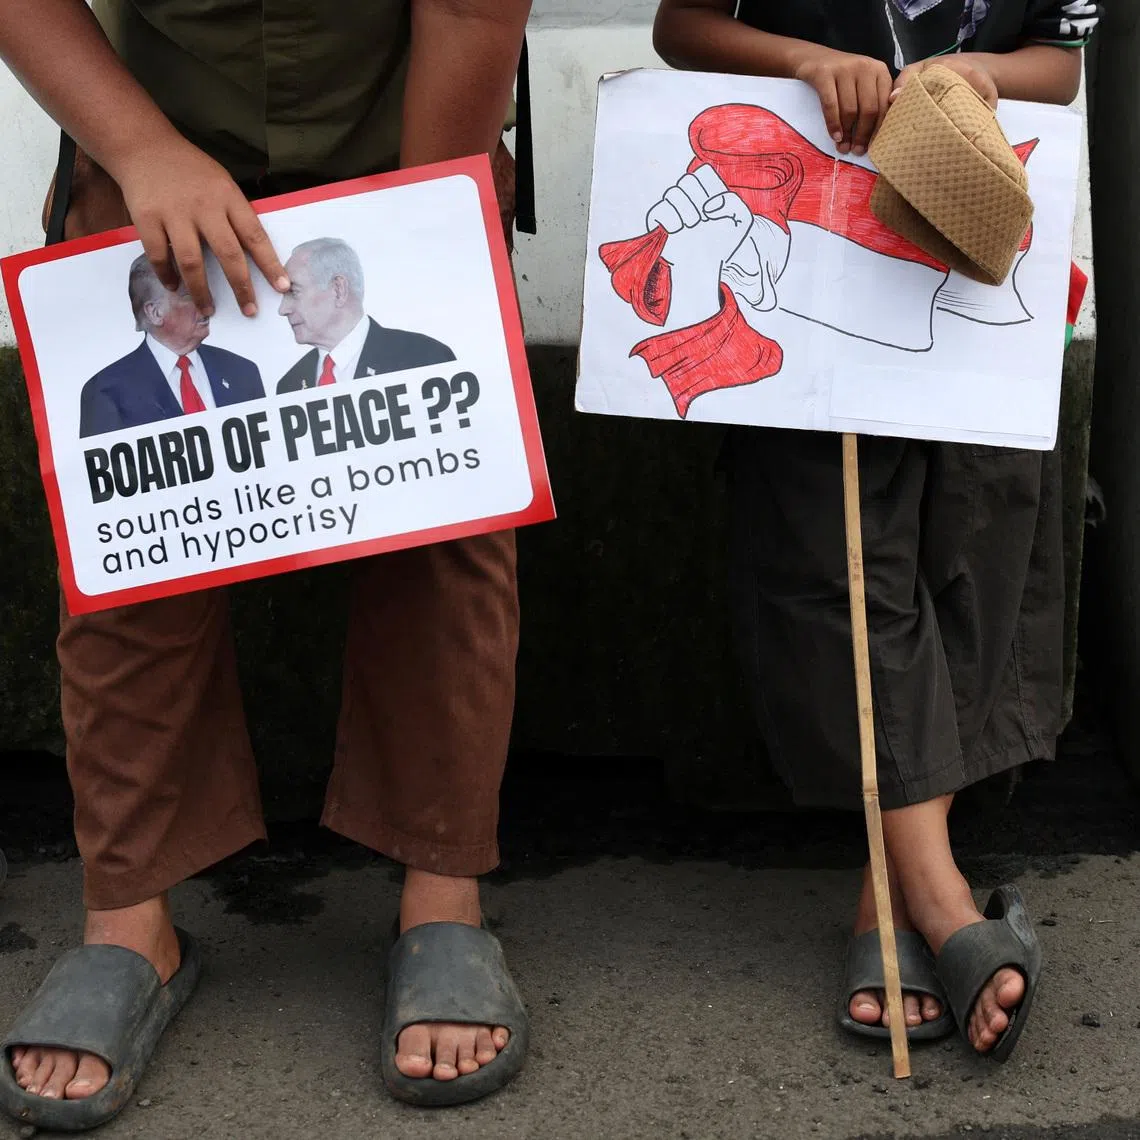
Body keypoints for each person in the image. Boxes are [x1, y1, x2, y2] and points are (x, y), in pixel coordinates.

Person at [0, 0, 531, 1130]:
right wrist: (140, 150)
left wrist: (412, 226)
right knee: (131, 530)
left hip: (412, 120)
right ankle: (128, 915)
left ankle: (443, 893)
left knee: (441, 504)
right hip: (150, 117)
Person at [652, 0, 1100, 1059]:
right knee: (834, 547)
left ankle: (885, 883)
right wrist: (806, 57)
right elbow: (683, 26)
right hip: (811, 245)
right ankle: (940, 905)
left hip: (977, 242)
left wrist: (982, 74)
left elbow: (1063, 67)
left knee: (973, 544)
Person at [80, 253, 265, 436]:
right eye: (190, 296)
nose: (208, 303)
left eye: (206, 291)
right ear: (155, 313)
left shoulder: (243, 372)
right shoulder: (106, 391)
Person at [276, 236, 454, 394]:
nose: (282, 310)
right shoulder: (289, 385)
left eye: (294, 292)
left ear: (339, 290)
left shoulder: (425, 359)